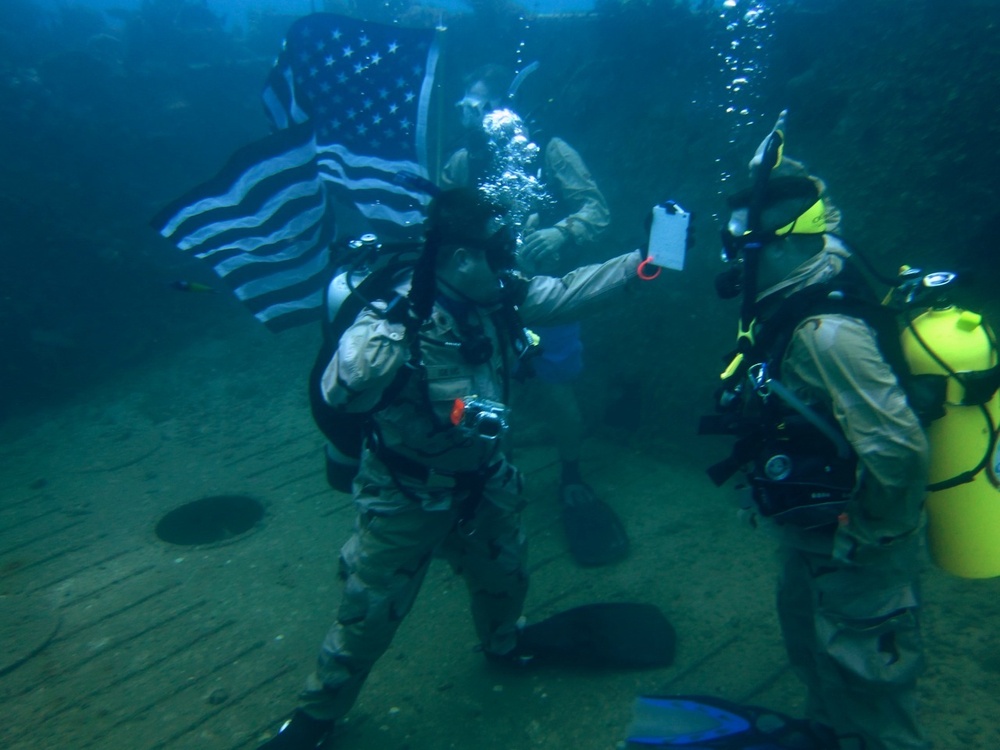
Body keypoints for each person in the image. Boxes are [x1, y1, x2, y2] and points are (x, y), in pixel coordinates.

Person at [258, 187, 660, 749]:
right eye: (499, 253)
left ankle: (503, 643)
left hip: (485, 482)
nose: (510, 264)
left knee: (506, 576)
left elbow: (571, 291)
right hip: (404, 494)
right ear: (461, 258)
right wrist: (392, 348)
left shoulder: (499, 295)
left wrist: (647, 261)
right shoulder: (396, 317)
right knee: (370, 610)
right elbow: (340, 391)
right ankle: (315, 717)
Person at [703, 114, 930, 750]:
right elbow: (820, 206)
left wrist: (868, 538)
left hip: (856, 549)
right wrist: (770, 171)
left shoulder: (826, 335)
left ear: (777, 248)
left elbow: (899, 448)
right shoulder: (823, 254)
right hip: (810, 533)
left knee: (871, 686)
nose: (731, 263)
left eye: (739, 249)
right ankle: (829, 732)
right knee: (811, 648)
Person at [440, 63, 627, 567]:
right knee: (480, 391)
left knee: (555, 389)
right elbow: (442, 221)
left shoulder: (550, 150)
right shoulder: (461, 161)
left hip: (542, 292)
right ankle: (492, 475)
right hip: (481, 297)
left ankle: (570, 473)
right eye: (464, 106)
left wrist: (562, 232)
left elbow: (596, 210)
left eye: (478, 106)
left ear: (502, 108)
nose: (469, 114)